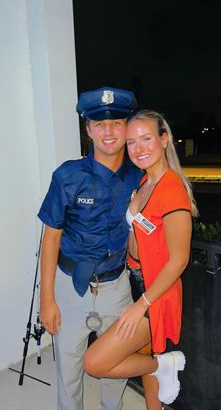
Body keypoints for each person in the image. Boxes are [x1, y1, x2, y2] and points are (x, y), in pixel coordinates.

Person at [83, 110, 199, 409]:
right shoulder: (146, 181)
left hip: (154, 293)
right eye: (131, 142)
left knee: (95, 362)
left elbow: (179, 260)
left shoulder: (172, 191)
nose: (138, 148)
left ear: (164, 139)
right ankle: (157, 382)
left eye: (146, 139)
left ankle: (163, 365)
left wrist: (141, 305)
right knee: (146, 353)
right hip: (133, 281)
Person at [38, 87, 143, 410]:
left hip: (118, 285)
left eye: (116, 122)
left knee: (114, 364)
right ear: (88, 130)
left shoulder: (139, 177)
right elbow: (51, 238)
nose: (108, 131)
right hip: (71, 287)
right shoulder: (68, 176)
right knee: (69, 370)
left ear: (127, 125)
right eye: (99, 123)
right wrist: (48, 300)